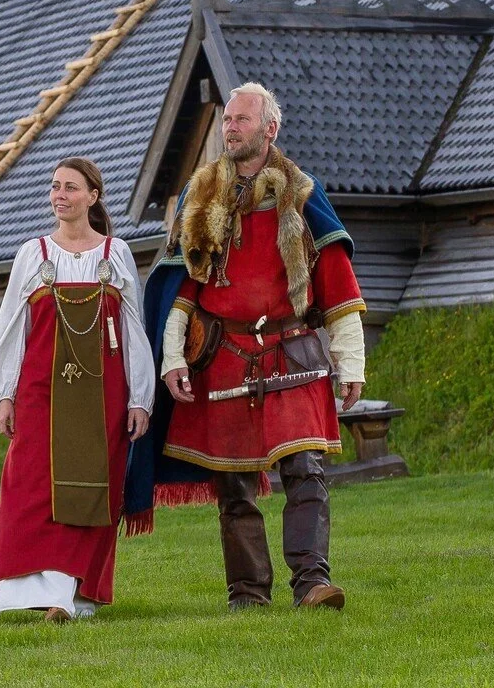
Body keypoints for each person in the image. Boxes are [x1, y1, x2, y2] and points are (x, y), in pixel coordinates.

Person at [156, 82, 368, 610]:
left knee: (306, 472)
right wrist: (174, 357)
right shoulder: (200, 194)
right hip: (223, 357)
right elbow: (180, 288)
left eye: (242, 120)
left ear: (270, 129)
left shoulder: (301, 191)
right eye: (228, 119)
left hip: (291, 350)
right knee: (233, 485)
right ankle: (248, 593)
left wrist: (351, 364)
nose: (230, 128)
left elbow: (339, 285)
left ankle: (312, 583)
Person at [0, 157, 154, 622]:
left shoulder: (116, 254)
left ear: (92, 197)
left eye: (70, 188)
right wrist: (4, 394)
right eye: (55, 187)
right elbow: (12, 329)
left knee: (96, 489)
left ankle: (71, 595)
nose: (59, 195)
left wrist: (140, 397)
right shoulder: (32, 254)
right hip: (40, 392)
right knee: (28, 487)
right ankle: (33, 590)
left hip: (103, 394)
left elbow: (133, 330)